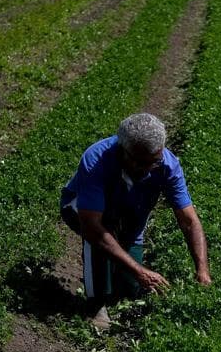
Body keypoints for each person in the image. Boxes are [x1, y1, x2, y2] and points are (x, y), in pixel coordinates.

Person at [60, 113, 211, 329]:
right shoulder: (97, 159)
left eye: (154, 161)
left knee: (130, 289)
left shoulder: (168, 165)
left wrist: (202, 270)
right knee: (103, 237)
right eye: (141, 162)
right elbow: (92, 227)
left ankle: (115, 281)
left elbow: (188, 220)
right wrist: (139, 271)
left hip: (130, 214)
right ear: (124, 150)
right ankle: (95, 305)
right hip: (82, 210)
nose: (149, 168)